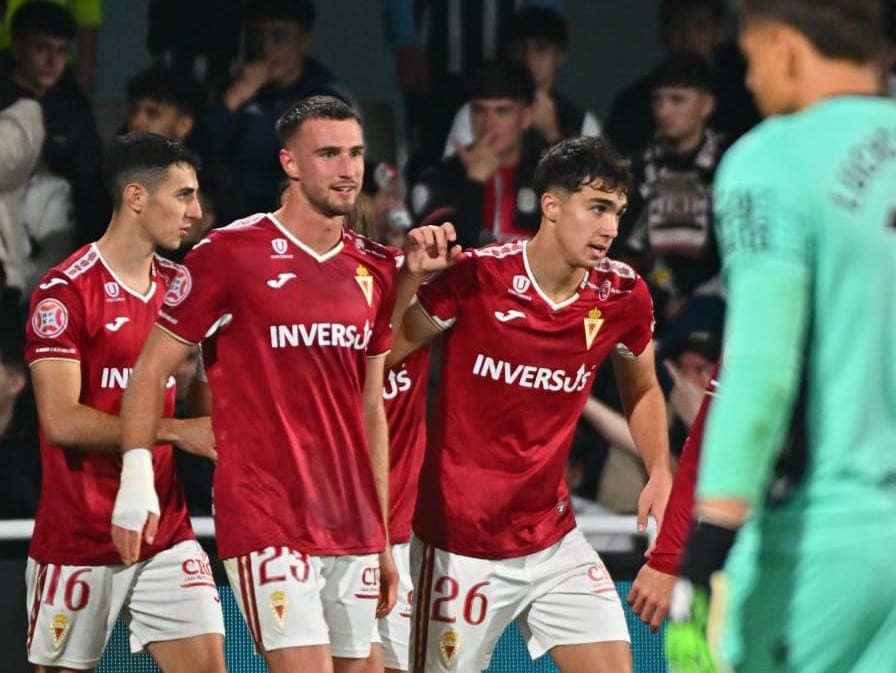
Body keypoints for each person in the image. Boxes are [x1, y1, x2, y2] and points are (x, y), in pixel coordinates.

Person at [112, 96, 400, 673]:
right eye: (328, 154)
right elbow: (149, 371)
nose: (347, 169)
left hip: (354, 522)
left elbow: (371, 407)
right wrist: (136, 476)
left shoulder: (376, 269)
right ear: (290, 163)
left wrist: (384, 537)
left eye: (355, 154)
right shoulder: (227, 255)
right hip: (266, 514)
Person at [666, 2, 896, 672]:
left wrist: (704, 553)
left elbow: (762, 367)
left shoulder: (772, 159)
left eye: (751, 59)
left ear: (789, 50)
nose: (750, 81)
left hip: (827, 536)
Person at [389, 135, 673, 672]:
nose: (610, 227)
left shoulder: (623, 295)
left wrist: (658, 467)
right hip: (459, 545)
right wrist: (410, 279)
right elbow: (386, 352)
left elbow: (643, 387)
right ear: (551, 205)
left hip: (552, 539)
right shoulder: (476, 278)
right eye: (597, 208)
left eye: (617, 211)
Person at [23, 132, 225, 672]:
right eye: (183, 195)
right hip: (80, 534)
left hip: (167, 530)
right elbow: (61, 420)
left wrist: (213, 364)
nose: (196, 211)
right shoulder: (64, 291)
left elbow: (207, 414)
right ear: (136, 197)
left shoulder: (182, 288)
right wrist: (173, 431)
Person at [206, 0, 354, 216]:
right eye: (258, 37)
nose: (266, 48)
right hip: (231, 214)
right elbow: (204, 150)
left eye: (279, 37)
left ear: (305, 41)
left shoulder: (329, 97)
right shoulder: (232, 90)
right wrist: (233, 99)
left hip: (297, 213)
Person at [620, 51, 726, 333]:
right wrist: (660, 299)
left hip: (722, 314)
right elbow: (616, 253)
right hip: (646, 314)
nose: (664, 111)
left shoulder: (732, 166)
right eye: (658, 100)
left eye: (677, 100)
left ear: (706, 105)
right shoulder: (635, 169)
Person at [409, 59, 547, 248]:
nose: (488, 123)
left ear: (526, 117)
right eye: (479, 110)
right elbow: (447, 257)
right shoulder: (440, 179)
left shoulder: (549, 179)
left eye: (502, 111)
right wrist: (475, 181)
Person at [443, 5, 600, 157]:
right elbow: (448, 179)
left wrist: (553, 134)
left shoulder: (582, 121)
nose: (529, 59)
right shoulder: (476, 112)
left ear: (559, 56)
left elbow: (597, 182)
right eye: (520, 49)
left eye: (540, 49)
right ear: (507, 55)